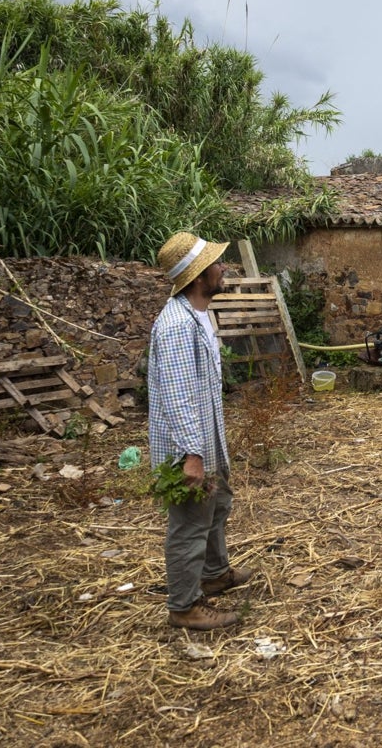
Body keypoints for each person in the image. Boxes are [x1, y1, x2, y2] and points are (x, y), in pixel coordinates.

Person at [148, 231, 252, 630]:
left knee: (216, 505)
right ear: (197, 277)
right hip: (187, 448)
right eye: (216, 264)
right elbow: (178, 397)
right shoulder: (176, 326)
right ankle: (184, 606)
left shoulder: (198, 315)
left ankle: (214, 573)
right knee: (190, 525)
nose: (223, 267)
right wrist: (193, 455)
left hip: (206, 441)